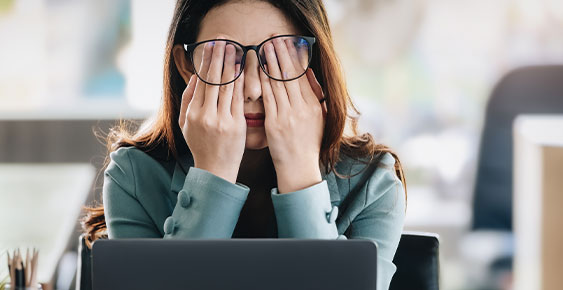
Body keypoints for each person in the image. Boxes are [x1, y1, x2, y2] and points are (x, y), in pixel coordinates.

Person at [82, 0, 407, 288]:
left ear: (312, 63)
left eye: (278, 57)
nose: (253, 89)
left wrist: (299, 169)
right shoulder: (134, 177)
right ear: (186, 66)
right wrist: (213, 174)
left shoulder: (373, 183)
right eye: (226, 59)